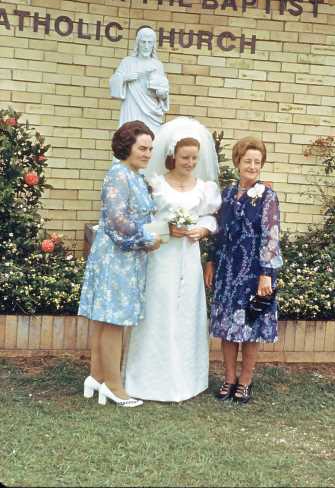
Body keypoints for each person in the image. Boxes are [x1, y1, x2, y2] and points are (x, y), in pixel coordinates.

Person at [123, 117, 221, 402]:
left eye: (194, 158)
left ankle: (186, 379)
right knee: (158, 310)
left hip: (188, 256)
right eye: (185, 157)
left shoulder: (204, 188)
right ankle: (149, 379)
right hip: (161, 256)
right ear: (173, 156)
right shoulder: (156, 184)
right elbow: (144, 220)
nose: (190, 162)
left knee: (186, 313)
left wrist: (203, 229)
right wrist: (166, 228)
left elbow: (209, 217)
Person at [78, 121, 161, 407]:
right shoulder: (118, 174)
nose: (147, 153)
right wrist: (146, 239)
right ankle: (114, 386)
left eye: (150, 149)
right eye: (142, 148)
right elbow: (117, 220)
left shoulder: (134, 175)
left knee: (106, 319)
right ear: (127, 147)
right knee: (113, 320)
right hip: (115, 257)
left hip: (125, 257)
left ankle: (96, 376)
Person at [204, 136, 283, 404]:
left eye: (257, 162)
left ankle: (245, 382)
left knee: (250, 328)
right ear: (237, 162)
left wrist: (266, 274)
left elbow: (271, 237)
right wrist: (211, 260)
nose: (252, 166)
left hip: (254, 273)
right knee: (227, 328)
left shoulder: (268, 196)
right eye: (248, 161)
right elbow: (217, 231)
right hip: (227, 271)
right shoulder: (226, 194)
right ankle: (229, 379)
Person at [109, 26, 169, 133]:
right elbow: (113, 82)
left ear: (153, 45)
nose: (146, 46)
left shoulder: (157, 65)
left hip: (151, 110)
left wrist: (162, 94)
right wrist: (125, 78)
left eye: (149, 43)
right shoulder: (128, 62)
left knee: (150, 137)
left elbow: (163, 91)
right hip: (132, 106)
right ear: (138, 43)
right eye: (143, 42)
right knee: (131, 135)